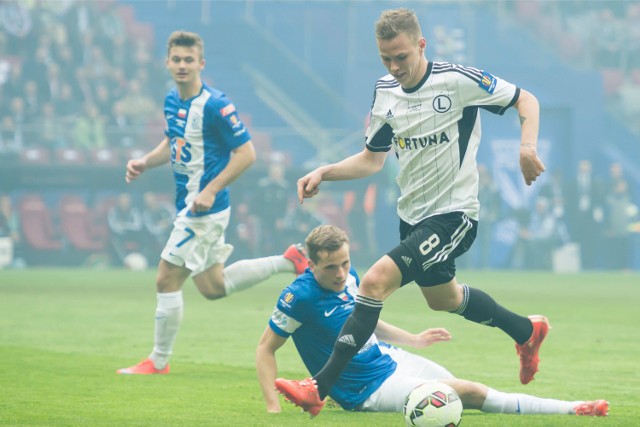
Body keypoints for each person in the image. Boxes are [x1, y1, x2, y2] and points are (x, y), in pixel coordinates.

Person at [276, 8, 549, 415]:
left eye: (401, 56)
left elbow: (526, 99)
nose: (394, 66)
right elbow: (372, 160)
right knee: (444, 299)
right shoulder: (385, 91)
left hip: (455, 214)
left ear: (421, 45)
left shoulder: (457, 80)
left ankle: (319, 387)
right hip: (413, 218)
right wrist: (324, 171)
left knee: (372, 282)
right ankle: (527, 330)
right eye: (386, 58)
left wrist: (527, 147)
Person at [258, 225, 608, 418]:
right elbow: (265, 349)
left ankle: (572, 406)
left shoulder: (352, 280)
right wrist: (273, 410)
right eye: (331, 267)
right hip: (367, 389)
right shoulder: (298, 297)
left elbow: (363, 324)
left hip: (390, 359)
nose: (341, 274)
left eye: (345, 263)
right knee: (468, 393)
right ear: (311, 264)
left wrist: (413, 338)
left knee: (463, 393)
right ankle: (573, 409)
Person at [117, 31, 308, 375]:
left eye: (189, 60)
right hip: (189, 205)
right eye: (176, 59)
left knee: (165, 279)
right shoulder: (171, 100)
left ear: (201, 64)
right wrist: (145, 161)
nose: (182, 65)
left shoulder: (217, 105)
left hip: (203, 211)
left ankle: (158, 361)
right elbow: (171, 141)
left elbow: (247, 153)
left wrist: (210, 189)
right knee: (212, 287)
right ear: (167, 62)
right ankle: (288, 260)